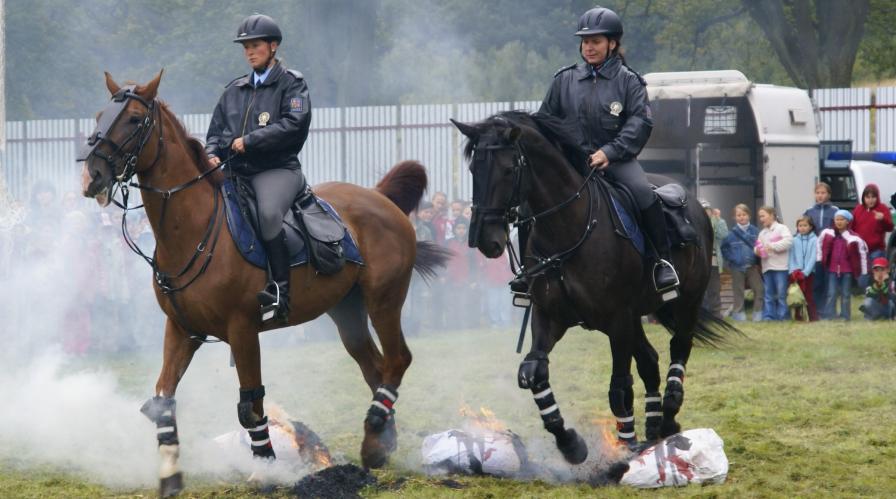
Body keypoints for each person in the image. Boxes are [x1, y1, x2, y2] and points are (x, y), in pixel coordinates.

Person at [537, 6, 677, 299]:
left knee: (643, 193)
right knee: (532, 201)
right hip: (572, 165)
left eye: (596, 41)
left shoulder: (629, 82)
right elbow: (545, 120)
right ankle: (531, 272)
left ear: (612, 43)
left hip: (615, 161)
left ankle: (662, 262)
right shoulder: (564, 80)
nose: (589, 47)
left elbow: (640, 122)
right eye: (585, 41)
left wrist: (609, 152)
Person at [205, 14, 312, 323]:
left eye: (255, 46)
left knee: (267, 215)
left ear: (273, 46)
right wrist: (211, 154)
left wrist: (249, 141)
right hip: (236, 172)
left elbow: (294, 125)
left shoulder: (292, 84)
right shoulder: (233, 91)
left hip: (278, 170)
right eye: (246, 47)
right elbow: (214, 132)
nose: (250, 52)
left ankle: (280, 292)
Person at [818, 210, 867, 321]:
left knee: (845, 294)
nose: (839, 222)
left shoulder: (853, 237)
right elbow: (819, 244)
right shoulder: (829, 234)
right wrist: (820, 259)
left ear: (848, 222)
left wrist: (863, 271)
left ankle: (845, 315)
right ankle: (830, 315)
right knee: (831, 293)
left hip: (847, 271)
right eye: (837, 219)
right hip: (832, 269)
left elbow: (862, 254)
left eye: (842, 219)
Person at [721, 203, 764, 321]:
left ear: (749, 216)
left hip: (752, 266)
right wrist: (732, 259)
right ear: (735, 217)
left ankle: (758, 313)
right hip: (737, 267)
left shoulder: (756, 231)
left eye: (744, 214)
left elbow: (761, 247)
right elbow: (724, 248)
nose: (741, 217)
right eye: (738, 215)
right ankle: (739, 314)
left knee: (759, 289)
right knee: (738, 291)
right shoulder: (730, 234)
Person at [804, 182, 838, 318]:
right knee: (817, 283)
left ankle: (829, 311)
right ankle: (816, 311)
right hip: (815, 253)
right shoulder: (809, 211)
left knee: (830, 283)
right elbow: (803, 229)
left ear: (829, 195)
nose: (820, 195)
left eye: (823, 193)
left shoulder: (835, 211)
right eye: (818, 193)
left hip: (831, 253)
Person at [849, 183, 893, 289]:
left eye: (873, 197)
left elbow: (890, 227)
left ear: (877, 197)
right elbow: (851, 228)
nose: (870, 200)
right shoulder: (858, 210)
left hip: (877, 250)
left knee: (878, 278)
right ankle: (868, 298)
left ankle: (879, 301)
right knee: (862, 280)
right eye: (867, 197)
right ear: (863, 198)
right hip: (861, 251)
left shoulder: (883, 209)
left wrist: (883, 219)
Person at [755, 206, 793, 321]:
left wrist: (772, 246)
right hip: (767, 267)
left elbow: (789, 241)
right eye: (760, 216)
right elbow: (757, 246)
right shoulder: (762, 233)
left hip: (781, 267)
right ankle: (769, 316)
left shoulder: (782, 228)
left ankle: (783, 316)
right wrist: (757, 251)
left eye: (763, 216)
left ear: (772, 215)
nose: (761, 219)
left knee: (781, 294)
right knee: (768, 295)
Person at [701, 200, 728, 318]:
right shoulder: (693, 223)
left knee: (714, 289)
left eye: (707, 210)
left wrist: (718, 219)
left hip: (714, 262)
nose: (706, 212)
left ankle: (716, 314)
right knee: (701, 290)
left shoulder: (715, 222)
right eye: (703, 210)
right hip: (700, 263)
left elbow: (723, 235)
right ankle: (702, 314)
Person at [788, 216, 818, 321]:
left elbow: (813, 257)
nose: (802, 228)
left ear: (810, 227)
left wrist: (805, 272)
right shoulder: (794, 240)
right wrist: (792, 271)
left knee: (808, 295)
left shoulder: (815, 240)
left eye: (805, 225)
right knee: (796, 295)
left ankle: (811, 317)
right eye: (800, 226)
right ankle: (797, 316)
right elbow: (791, 257)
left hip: (809, 274)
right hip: (796, 273)